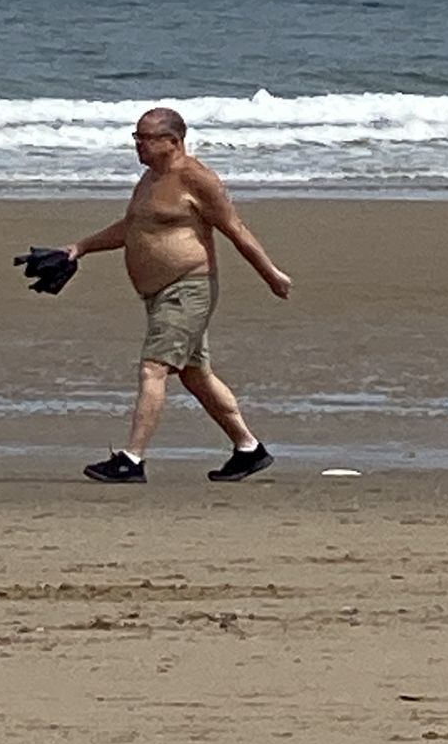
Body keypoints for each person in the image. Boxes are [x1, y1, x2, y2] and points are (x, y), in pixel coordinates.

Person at [64, 107, 291, 483]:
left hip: (188, 288)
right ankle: (249, 449)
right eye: (135, 137)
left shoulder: (196, 178)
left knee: (153, 368)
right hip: (159, 294)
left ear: (173, 140)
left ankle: (131, 460)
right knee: (195, 374)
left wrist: (271, 275)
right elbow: (133, 228)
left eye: (146, 138)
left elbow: (235, 229)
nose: (138, 145)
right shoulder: (150, 179)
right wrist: (81, 247)